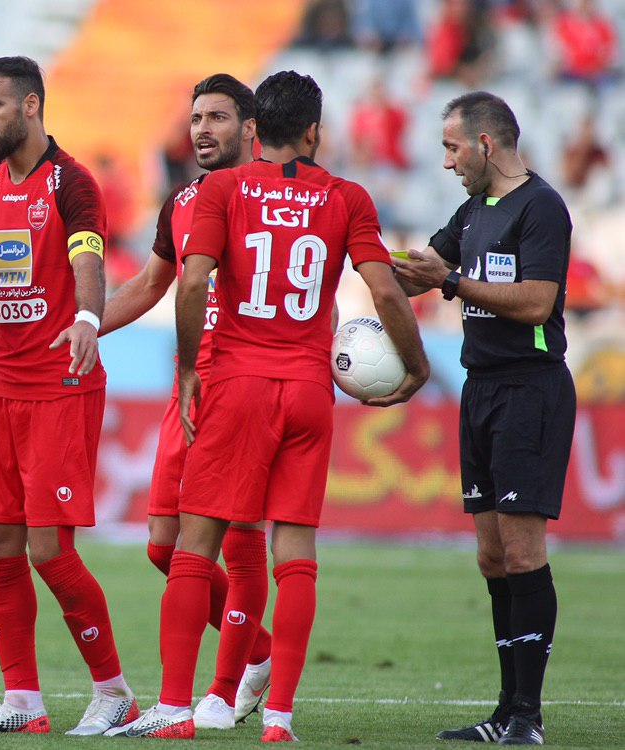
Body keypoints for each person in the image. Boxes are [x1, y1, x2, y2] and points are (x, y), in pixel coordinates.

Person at [110, 70, 429, 741]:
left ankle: (175, 708)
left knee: (195, 549)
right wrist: (419, 364)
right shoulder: (347, 196)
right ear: (314, 131)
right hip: (310, 389)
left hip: (236, 383)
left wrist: (186, 369)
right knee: (297, 554)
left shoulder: (222, 190)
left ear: (257, 130)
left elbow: (192, 282)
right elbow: (386, 292)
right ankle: (278, 715)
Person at [0, 56, 138, 736]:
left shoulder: (70, 183)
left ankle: (114, 692)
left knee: (49, 550)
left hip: (60, 388)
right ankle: (22, 701)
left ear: (30, 106)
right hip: (3, 389)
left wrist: (86, 320)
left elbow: (88, 258)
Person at [393, 91, 574, 746]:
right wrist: (355, 252)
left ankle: (528, 715)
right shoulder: (472, 211)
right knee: (493, 556)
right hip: (481, 390)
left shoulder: (541, 207)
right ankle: (505, 711)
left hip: (530, 389)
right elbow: (419, 272)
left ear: (485, 144)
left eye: (452, 148)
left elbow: (537, 302)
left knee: (523, 550)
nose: (447, 162)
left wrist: (450, 282)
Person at [99, 73, 273, 731]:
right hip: (189, 389)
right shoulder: (182, 200)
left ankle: (220, 692)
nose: (202, 129)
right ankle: (262, 652)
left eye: (217, 117)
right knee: (163, 545)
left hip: (247, 386)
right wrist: (84, 323)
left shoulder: (274, 198)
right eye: (196, 118)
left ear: (250, 128)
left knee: (239, 539)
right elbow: (151, 283)